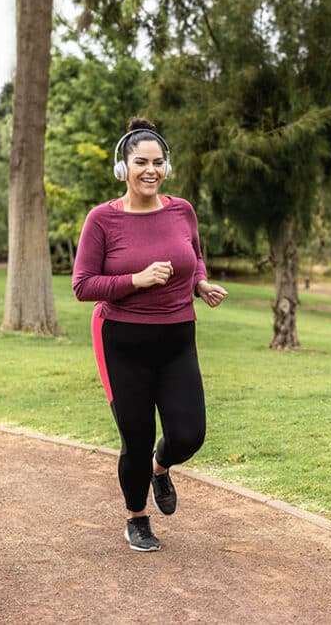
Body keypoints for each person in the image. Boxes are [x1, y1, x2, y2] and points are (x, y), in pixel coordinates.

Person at [72, 117, 228, 552]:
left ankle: (162, 466)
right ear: (124, 168)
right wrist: (135, 280)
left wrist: (200, 283)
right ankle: (137, 518)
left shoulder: (182, 210)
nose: (150, 171)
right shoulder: (102, 220)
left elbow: (193, 255)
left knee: (189, 434)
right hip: (121, 340)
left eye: (158, 163)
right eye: (140, 162)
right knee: (135, 438)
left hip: (177, 337)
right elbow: (83, 286)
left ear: (167, 168)